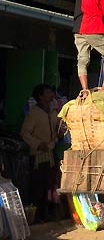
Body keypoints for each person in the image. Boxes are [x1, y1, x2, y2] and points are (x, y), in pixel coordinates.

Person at [20, 84, 63, 222]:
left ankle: (48, 213)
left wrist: (60, 132)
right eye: (48, 92)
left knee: (51, 185)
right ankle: (38, 215)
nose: (51, 94)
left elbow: (59, 128)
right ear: (41, 96)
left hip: (52, 153)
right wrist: (38, 144)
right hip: (38, 155)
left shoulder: (53, 112)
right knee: (38, 186)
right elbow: (24, 133)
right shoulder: (34, 113)